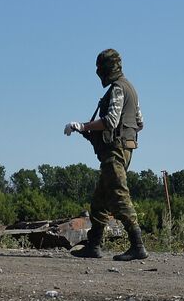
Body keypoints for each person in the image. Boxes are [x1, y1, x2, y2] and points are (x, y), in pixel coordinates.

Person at [63, 49, 147, 261]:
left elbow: (110, 120)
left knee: (119, 196)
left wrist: (84, 125)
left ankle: (138, 245)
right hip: (125, 148)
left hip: (115, 151)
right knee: (100, 200)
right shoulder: (131, 89)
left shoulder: (118, 88)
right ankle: (94, 245)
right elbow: (140, 123)